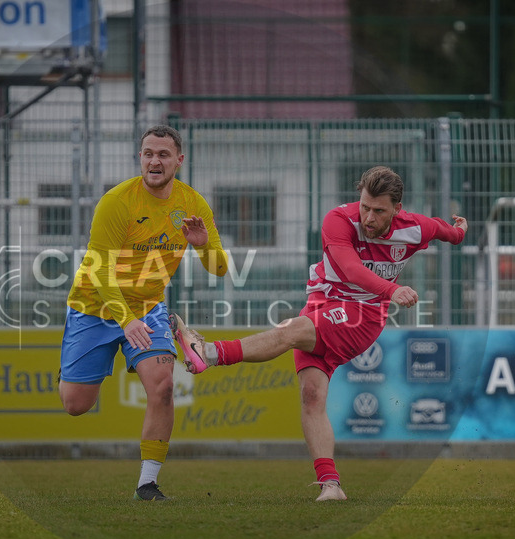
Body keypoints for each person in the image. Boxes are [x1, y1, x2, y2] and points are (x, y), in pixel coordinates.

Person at [169, 166, 467, 502]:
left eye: (379, 210)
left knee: (293, 331)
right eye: (365, 206)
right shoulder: (338, 220)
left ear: (397, 209)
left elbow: (443, 231)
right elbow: (349, 268)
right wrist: (392, 289)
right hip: (322, 301)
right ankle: (331, 485)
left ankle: (209, 353)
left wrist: (458, 231)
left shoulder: (414, 228)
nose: (368, 217)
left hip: (362, 316)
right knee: (311, 396)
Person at [59, 125, 228, 501]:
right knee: (75, 405)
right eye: (148, 153)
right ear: (140, 158)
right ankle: (77, 364)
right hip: (94, 305)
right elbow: (100, 271)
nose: (155, 160)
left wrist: (203, 246)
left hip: (149, 307)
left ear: (179, 161)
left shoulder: (194, 204)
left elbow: (220, 269)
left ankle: (147, 484)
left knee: (164, 386)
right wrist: (125, 320)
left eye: (163, 154)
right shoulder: (117, 202)